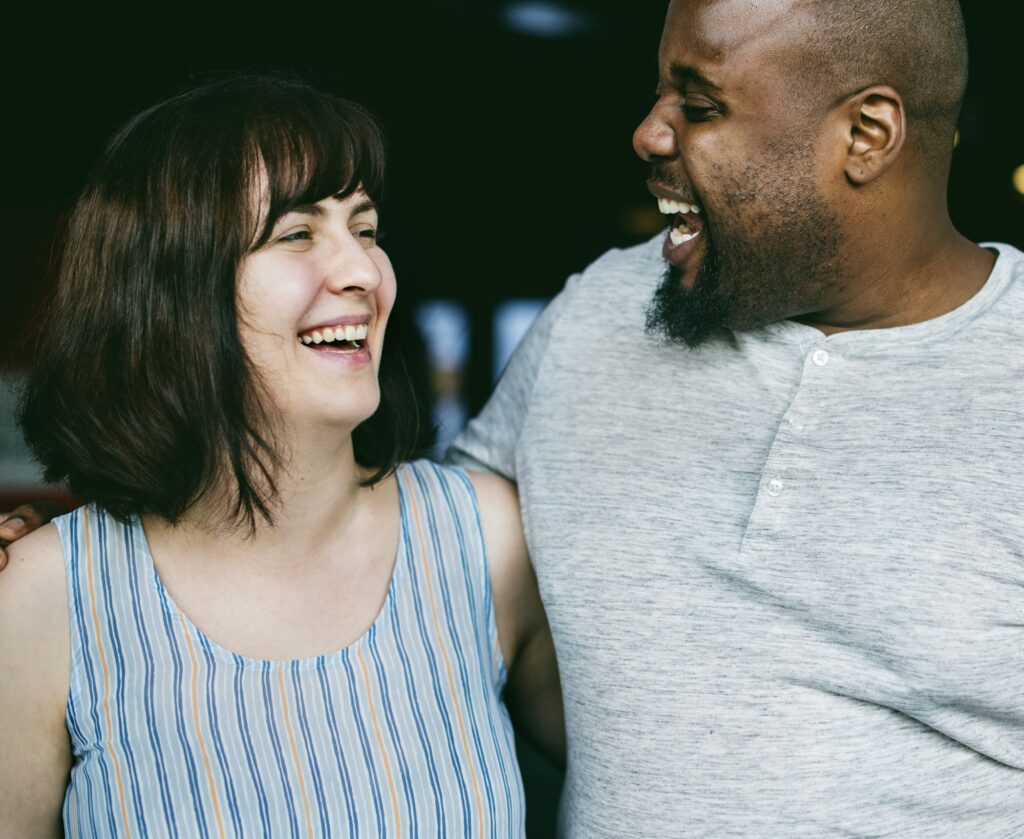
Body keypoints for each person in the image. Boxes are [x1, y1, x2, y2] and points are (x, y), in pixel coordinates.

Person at [5, 0, 1023, 835]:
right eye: (298, 234)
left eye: (700, 102)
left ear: (868, 133)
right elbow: (337, 526)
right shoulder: (603, 317)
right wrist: (64, 560)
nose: (648, 130)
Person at [0, 75, 561, 837]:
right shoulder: (44, 601)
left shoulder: (486, 542)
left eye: (365, 229)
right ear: (170, 289)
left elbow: (671, 785)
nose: (363, 271)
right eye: (298, 234)